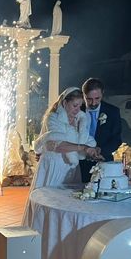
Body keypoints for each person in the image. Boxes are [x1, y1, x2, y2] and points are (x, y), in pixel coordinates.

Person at [23, 87, 101, 223]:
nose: (77, 109)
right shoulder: (52, 118)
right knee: (50, 203)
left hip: (71, 167)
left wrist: (93, 150)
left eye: (80, 106)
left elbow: (84, 140)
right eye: (74, 105)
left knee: (68, 205)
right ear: (65, 103)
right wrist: (83, 147)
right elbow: (58, 145)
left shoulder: (80, 120)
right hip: (54, 165)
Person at [80, 78, 122, 183]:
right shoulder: (76, 110)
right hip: (78, 162)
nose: (93, 103)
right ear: (83, 95)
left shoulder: (112, 112)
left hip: (103, 162)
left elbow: (117, 139)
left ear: (102, 94)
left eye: (97, 98)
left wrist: (100, 150)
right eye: (89, 99)